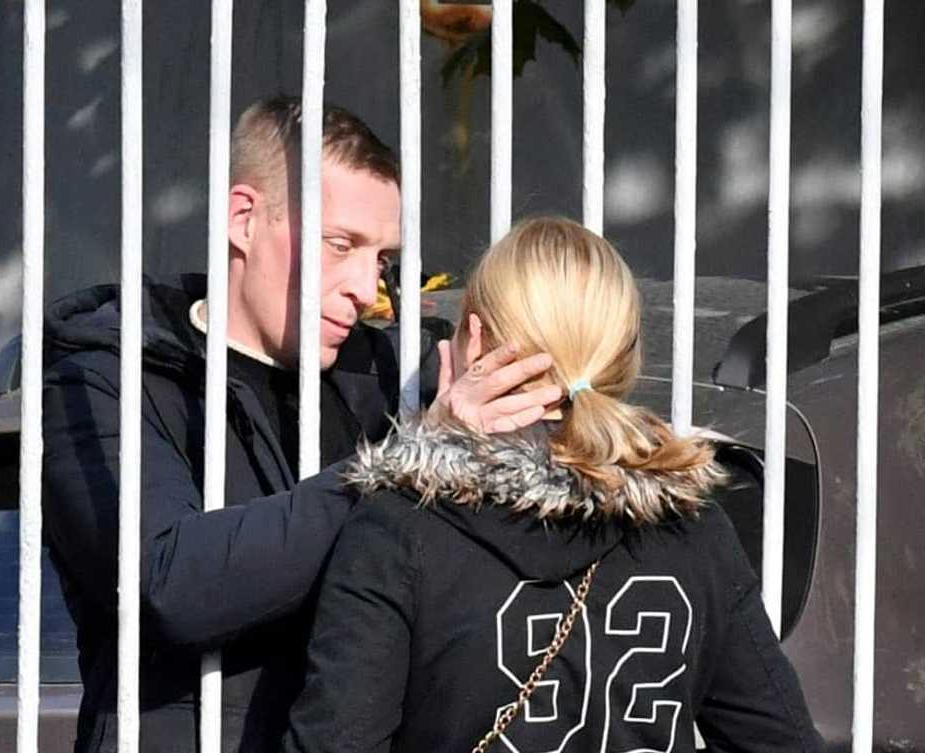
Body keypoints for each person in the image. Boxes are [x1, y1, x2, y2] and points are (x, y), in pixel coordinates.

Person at [41, 97, 562, 753]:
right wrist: (413, 458)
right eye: (340, 244)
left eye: (381, 259)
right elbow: (168, 584)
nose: (365, 288)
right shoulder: (108, 377)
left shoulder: (388, 375)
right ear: (243, 219)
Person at [283, 217, 825, 753]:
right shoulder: (692, 526)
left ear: (473, 342)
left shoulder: (400, 528)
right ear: (625, 356)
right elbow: (782, 738)